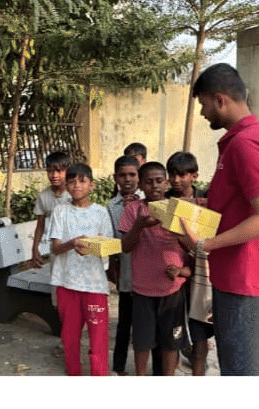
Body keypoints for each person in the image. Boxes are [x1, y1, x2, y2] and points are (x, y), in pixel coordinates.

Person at [172, 64, 259, 375]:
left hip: (245, 280)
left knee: (239, 373)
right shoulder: (239, 141)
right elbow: (243, 205)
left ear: (219, 99)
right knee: (235, 369)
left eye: (203, 104)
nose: (203, 113)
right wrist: (201, 205)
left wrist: (206, 243)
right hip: (234, 276)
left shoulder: (246, 144)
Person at [118, 159, 190, 376]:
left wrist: (178, 229)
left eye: (159, 181)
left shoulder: (178, 209)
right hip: (142, 290)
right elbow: (125, 247)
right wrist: (139, 225)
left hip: (172, 289)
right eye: (148, 182)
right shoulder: (133, 210)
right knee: (142, 343)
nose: (155, 186)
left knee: (170, 342)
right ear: (140, 185)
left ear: (166, 182)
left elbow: (192, 245)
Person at [49, 161, 115, 376]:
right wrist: (73, 243)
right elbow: (56, 248)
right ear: (67, 186)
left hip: (94, 284)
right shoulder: (61, 211)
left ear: (92, 185)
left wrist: (95, 246)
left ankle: (99, 375)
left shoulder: (101, 213)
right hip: (66, 283)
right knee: (69, 338)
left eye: (82, 181)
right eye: (71, 181)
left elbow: (109, 246)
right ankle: (73, 374)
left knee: (98, 340)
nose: (76, 185)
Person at [165, 152, 214, 376]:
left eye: (182, 175)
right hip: (173, 268)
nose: (176, 180)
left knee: (199, 321)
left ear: (194, 176)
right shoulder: (165, 201)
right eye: (172, 175)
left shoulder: (206, 199)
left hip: (200, 270)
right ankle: (178, 356)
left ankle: (197, 359)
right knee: (177, 318)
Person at [105, 153, 144, 374]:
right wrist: (112, 267)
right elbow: (114, 239)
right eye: (122, 175)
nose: (127, 179)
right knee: (124, 321)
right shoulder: (112, 205)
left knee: (145, 322)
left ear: (139, 177)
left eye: (132, 174)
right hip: (127, 271)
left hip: (149, 270)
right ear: (115, 178)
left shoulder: (149, 200)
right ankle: (119, 367)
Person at [28, 149, 72, 268]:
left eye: (59, 171)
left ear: (68, 171)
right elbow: (40, 225)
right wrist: (35, 249)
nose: (54, 175)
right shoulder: (43, 196)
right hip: (56, 248)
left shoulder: (74, 193)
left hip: (75, 246)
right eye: (50, 171)